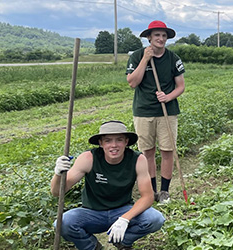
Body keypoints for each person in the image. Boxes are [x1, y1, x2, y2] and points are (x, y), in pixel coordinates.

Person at [51, 121, 165, 250]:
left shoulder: (137, 159)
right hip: (92, 212)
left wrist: (125, 219)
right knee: (62, 223)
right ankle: (92, 247)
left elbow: (148, 197)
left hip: (123, 209)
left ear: (126, 142)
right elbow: (57, 192)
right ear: (101, 143)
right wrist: (58, 174)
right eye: (108, 141)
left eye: (119, 140)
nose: (114, 145)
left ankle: (123, 242)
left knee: (155, 219)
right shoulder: (88, 159)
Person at [125, 20, 186, 203]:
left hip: (167, 111)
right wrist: (145, 59)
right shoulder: (136, 57)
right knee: (147, 153)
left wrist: (168, 97)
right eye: (157, 35)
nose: (161, 39)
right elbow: (132, 82)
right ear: (149, 37)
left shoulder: (173, 58)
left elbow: (181, 86)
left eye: (164, 35)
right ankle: (151, 191)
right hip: (143, 111)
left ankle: (164, 192)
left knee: (168, 151)